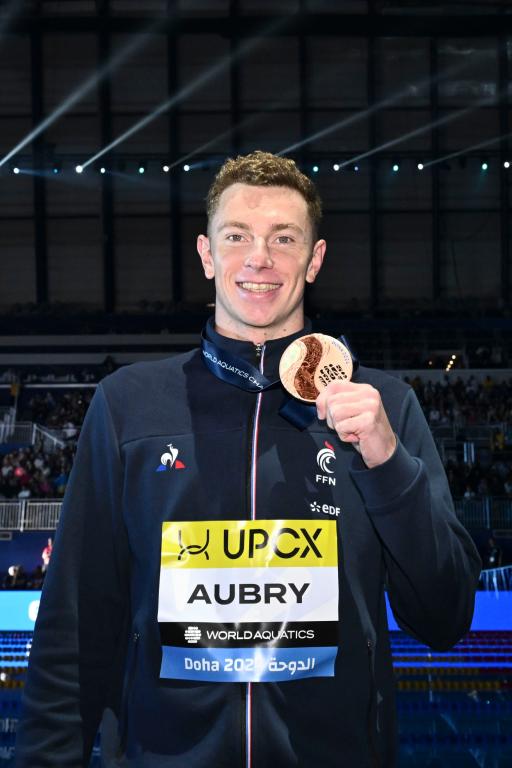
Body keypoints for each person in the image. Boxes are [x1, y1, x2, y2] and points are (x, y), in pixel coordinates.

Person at [16, 151, 481, 768]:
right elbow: (74, 629)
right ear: (207, 254)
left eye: (284, 239)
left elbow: (445, 618)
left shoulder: (383, 409)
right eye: (237, 236)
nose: (259, 258)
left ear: (314, 261)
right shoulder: (128, 406)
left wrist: (388, 464)